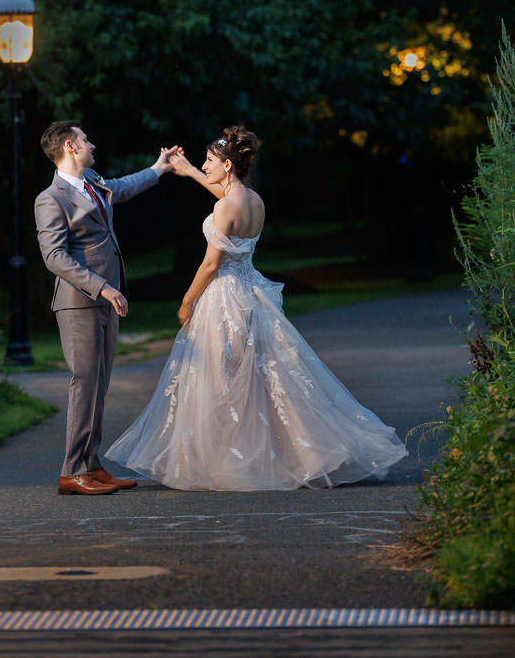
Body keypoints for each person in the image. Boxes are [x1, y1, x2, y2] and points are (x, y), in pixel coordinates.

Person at [105, 127, 407, 490]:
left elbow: (210, 265)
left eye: (210, 162)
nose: (205, 166)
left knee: (222, 381)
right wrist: (188, 171)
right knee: (258, 379)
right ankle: (274, 453)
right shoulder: (254, 201)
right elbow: (225, 195)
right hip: (250, 294)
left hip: (223, 298)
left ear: (227, 164)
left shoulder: (225, 206)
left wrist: (187, 301)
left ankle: (230, 460)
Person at [34, 120, 176, 496]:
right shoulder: (51, 198)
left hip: (106, 300)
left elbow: (124, 188)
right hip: (79, 303)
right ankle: (71, 472)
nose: (92, 144)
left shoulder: (92, 182)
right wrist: (102, 287)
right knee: (84, 384)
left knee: (99, 386)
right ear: (69, 146)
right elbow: (54, 257)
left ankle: (92, 466)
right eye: (85, 139)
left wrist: (158, 169)